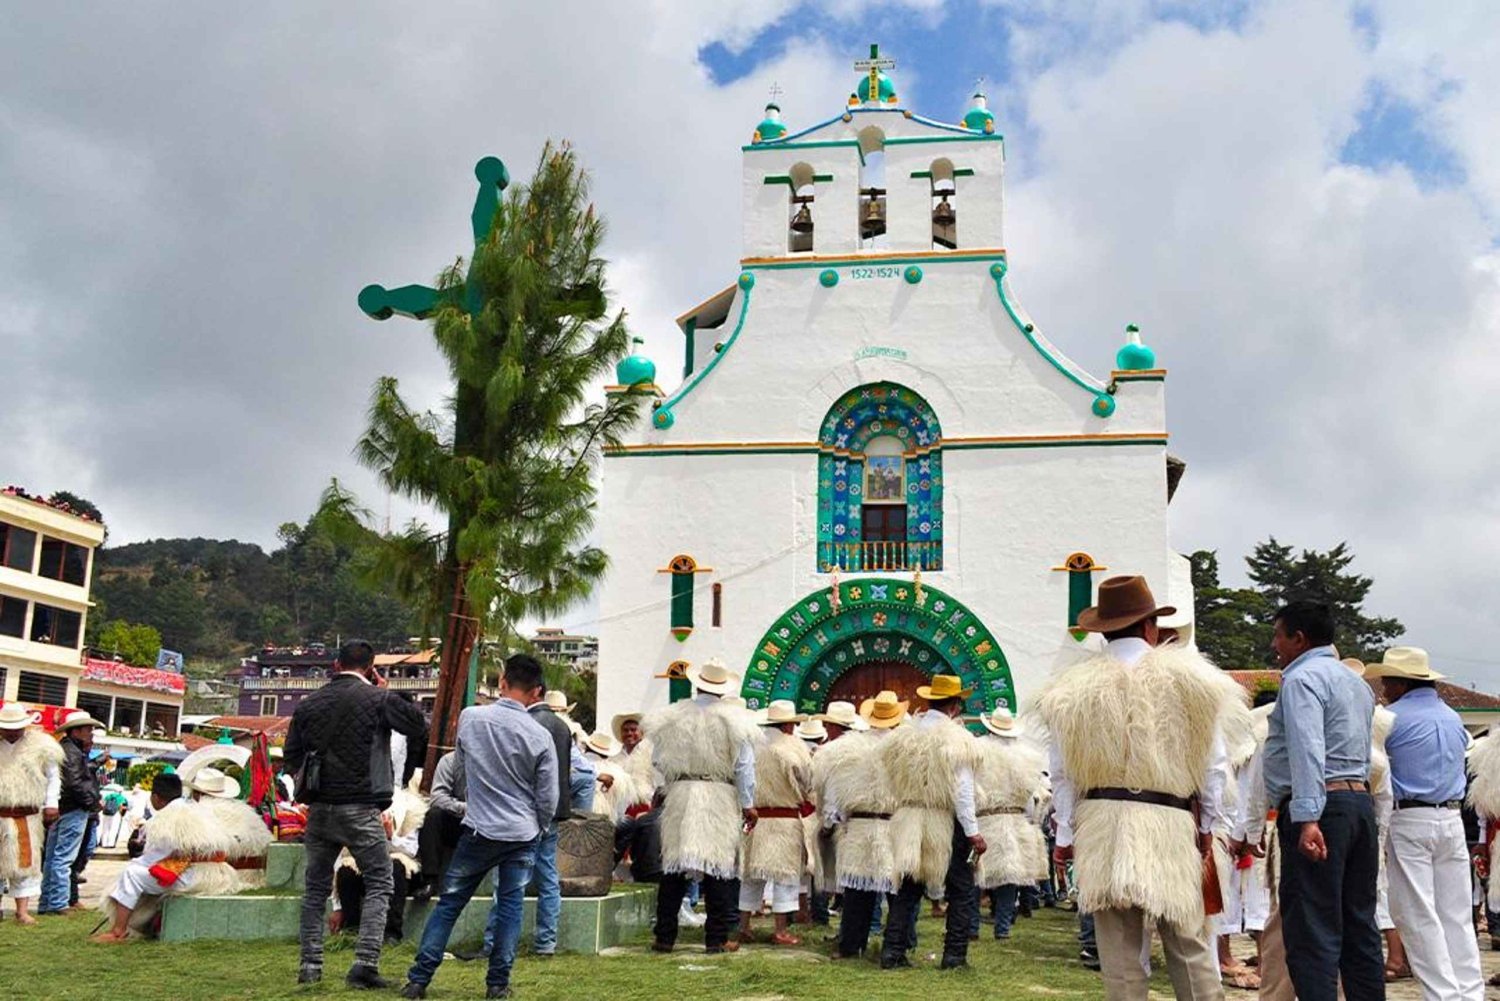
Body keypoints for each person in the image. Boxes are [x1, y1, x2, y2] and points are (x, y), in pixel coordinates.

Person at [1037, 574, 1246, 1001]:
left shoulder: (1069, 692)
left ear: (1101, 632)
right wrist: (1207, 825)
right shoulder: (1194, 684)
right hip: (1171, 822)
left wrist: (1065, 836)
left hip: (1102, 824)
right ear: (1150, 627)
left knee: (1120, 954)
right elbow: (1215, 766)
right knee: (1190, 945)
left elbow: (1061, 775)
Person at [401, 654, 558, 1000]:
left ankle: (418, 979)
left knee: (449, 905)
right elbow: (548, 796)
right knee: (510, 908)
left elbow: (462, 765)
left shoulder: (471, 718)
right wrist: (539, 827)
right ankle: (497, 985)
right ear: (536, 692)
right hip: (521, 833)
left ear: (502, 682)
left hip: (479, 828)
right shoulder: (541, 736)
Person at [284, 639, 428, 989]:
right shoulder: (378, 698)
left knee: (315, 888)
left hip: (318, 808)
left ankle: (310, 965)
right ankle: (364, 963)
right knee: (381, 881)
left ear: (336, 665)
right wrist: (385, 690)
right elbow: (417, 725)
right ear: (371, 666)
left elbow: (291, 757)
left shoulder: (309, 702)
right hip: (362, 806)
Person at [1262, 601, 1382, 1001]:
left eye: (1279, 634)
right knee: (1359, 925)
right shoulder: (1357, 684)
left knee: (1312, 929)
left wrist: (1308, 816)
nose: (1274, 643)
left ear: (1299, 638)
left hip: (1321, 806)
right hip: (1358, 804)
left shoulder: (1301, 680)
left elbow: (1307, 748)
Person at [1365, 647, 1483, 1000]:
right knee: (1457, 915)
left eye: (1387, 681)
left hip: (1409, 818)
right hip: (1450, 818)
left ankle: (1443, 995)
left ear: (1401, 684)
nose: (1383, 688)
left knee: (1418, 915)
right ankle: (1469, 992)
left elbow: (1377, 775)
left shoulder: (1388, 719)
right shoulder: (1452, 718)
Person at [644, 658, 759, 955]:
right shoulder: (735, 721)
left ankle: (665, 937)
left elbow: (657, 760)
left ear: (697, 684)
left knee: (675, 866)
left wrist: (671, 782)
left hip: (681, 792)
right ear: (723, 689)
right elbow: (744, 766)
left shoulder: (671, 717)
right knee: (717, 867)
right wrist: (748, 803)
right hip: (718, 793)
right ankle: (716, 939)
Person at [880, 674, 985, 971]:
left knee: (908, 888)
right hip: (943, 820)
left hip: (910, 818)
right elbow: (963, 792)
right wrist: (974, 832)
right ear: (954, 706)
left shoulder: (902, 737)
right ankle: (953, 956)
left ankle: (892, 952)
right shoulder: (958, 739)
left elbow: (890, 781)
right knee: (961, 889)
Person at [819, 691, 899, 958]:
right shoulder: (903, 749)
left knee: (856, 891)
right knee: (896, 892)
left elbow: (833, 792)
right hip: (892, 825)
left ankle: (851, 945)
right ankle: (895, 947)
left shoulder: (846, 750)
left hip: (858, 825)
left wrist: (832, 821)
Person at [738, 699, 813, 947]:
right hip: (785, 820)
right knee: (785, 877)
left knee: (751, 874)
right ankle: (780, 930)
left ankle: (744, 925)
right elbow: (806, 782)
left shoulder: (753, 746)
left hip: (756, 819)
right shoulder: (794, 748)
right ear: (790, 726)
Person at [971, 706, 1048, 941]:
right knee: (1009, 877)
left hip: (985, 818)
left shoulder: (978, 752)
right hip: (1014, 820)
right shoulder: (1026, 757)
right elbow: (1032, 799)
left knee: (975, 875)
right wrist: (1032, 821)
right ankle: (1002, 927)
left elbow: (970, 789)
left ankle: (971, 926)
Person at [524, 671, 574, 959]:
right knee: (547, 875)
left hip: (528, 809)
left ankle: (496, 941)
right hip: (555, 809)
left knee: (511, 876)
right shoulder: (561, 726)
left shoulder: (527, 723)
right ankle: (546, 942)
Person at [0, 703, 62, 924]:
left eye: (15, 727)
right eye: (7, 728)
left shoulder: (42, 747)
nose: (11, 732)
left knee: (25, 864)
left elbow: (53, 777)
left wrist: (51, 803)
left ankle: (22, 911)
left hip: (26, 815)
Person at [37, 710, 102, 915]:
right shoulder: (72, 753)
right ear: (77, 731)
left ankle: (48, 901)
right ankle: (57, 903)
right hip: (74, 809)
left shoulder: (65, 750)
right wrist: (91, 802)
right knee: (64, 858)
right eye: (88, 729)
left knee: (53, 858)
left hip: (63, 808)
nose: (91, 733)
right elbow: (76, 782)